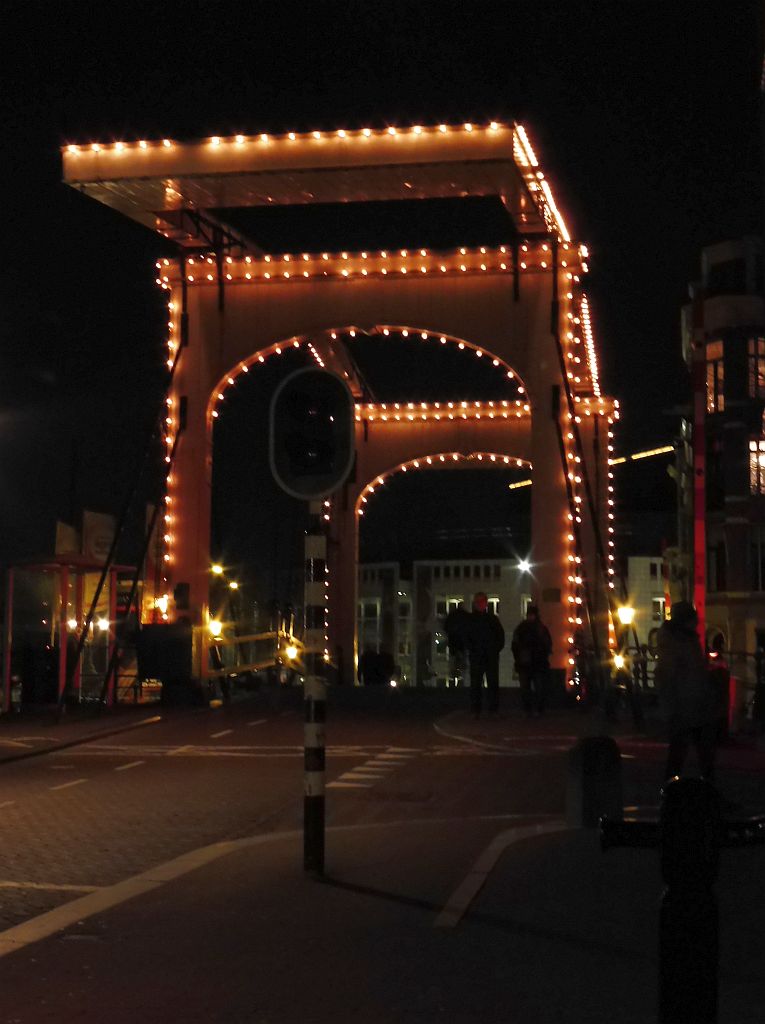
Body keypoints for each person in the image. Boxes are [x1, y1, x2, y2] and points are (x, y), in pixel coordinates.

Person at [654, 600, 718, 781]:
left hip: (689, 703)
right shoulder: (684, 641)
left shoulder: (680, 639)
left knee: (683, 752)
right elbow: (669, 674)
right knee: (691, 751)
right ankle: (681, 790)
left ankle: (671, 789)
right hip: (686, 704)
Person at [466, 592, 505, 717]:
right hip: (479, 656)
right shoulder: (473, 620)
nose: (479, 604)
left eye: (481, 601)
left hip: (489, 656)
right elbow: (466, 638)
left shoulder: (491, 619)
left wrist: (494, 650)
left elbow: (500, 637)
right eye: (478, 601)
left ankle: (491, 709)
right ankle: (477, 710)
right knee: (476, 684)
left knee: (491, 683)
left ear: (485, 603)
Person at [511, 604, 552, 716]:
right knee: (537, 687)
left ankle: (529, 709)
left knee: (527, 688)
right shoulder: (541, 628)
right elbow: (547, 645)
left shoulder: (522, 628)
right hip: (537, 662)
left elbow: (515, 645)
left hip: (526, 662)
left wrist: (518, 658)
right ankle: (537, 709)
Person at [445, 603, 470, 686]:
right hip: (463, 642)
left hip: (453, 642)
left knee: (454, 659)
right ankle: (462, 678)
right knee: (463, 660)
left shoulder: (452, 616)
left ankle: (454, 676)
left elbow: (446, 627)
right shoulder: (466, 616)